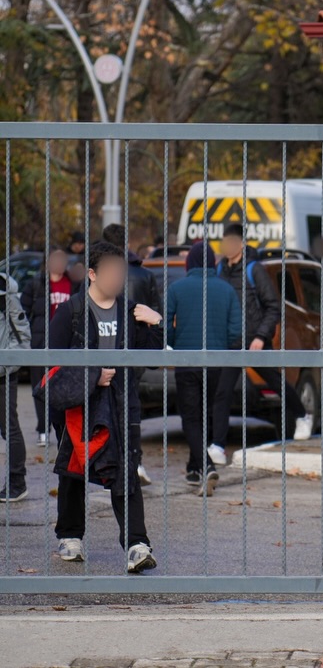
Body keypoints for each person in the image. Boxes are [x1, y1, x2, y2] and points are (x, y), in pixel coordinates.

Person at [47, 240, 163, 573]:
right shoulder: (72, 311)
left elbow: (152, 358)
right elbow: (53, 364)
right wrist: (92, 377)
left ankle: (137, 545)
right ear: (93, 274)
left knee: (126, 470)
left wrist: (155, 322)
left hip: (122, 403)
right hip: (79, 405)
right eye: (111, 271)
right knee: (73, 469)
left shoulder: (130, 311)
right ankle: (70, 536)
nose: (118, 278)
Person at [211, 224, 314, 460]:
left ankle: (302, 415)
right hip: (230, 343)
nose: (226, 247)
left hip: (254, 342)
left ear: (240, 244)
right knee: (222, 393)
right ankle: (217, 446)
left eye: (230, 243)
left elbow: (273, 306)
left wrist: (260, 337)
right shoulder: (220, 270)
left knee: (275, 381)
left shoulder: (253, 269)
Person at [166, 242, 242, 497]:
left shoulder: (176, 288)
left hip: (187, 360)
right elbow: (236, 329)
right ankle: (194, 467)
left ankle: (206, 466)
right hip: (216, 361)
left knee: (190, 416)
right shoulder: (227, 289)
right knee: (206, 413)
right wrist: (219, 341)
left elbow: (165, 323)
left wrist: (174, 342)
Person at [102, 224, 162, 486]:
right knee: (129, 408)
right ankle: (134, 462)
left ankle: (111, 461)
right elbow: (155, 312)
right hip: (135, 349)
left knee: (105, 407)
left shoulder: (99, 275)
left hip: (104, 348)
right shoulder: (144, 276)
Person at [22, 247, 77, 448]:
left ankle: (62, 429)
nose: (60, 262)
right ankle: (43, 429)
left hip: (66, 345)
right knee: (41, 387)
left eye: (63, 259)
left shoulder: (73, 283)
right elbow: (23, 313)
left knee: (63, 387)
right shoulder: (36, 284)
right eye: (56, 258)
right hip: (40, 344)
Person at [0, 273, 30, 503]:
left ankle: (17, 482)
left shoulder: (6, 294)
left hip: (2, 374)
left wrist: (4, 366)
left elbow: (22, 337)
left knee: (8, 427)